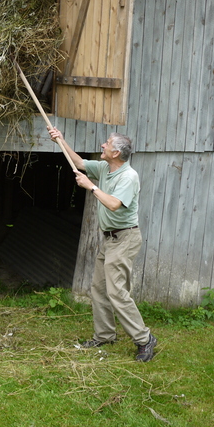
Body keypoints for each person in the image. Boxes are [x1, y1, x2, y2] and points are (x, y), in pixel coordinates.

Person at [48, 127, 157, 362]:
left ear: (116, 152)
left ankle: (144, 339)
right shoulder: (105, 168)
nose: (102, 146)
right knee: (98, 288)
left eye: (107, 144)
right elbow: (78, 162)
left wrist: (91, 187)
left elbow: (114, 204)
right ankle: (105, 334)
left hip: (125, 239)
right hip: (109, 239)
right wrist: (61, 140)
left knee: (117, 292)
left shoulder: (128, 177)